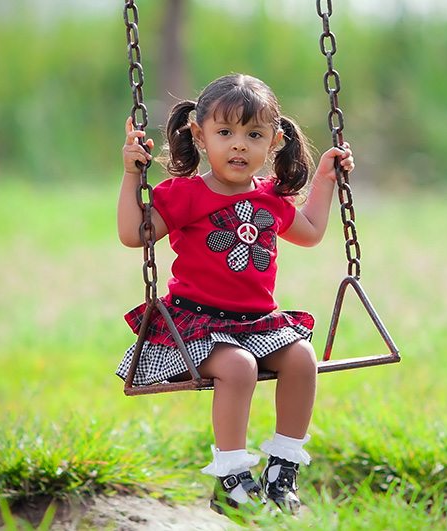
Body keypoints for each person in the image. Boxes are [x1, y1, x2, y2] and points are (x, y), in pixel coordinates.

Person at [115, 74, 353, 516]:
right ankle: (230, 478)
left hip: (256, 323)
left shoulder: (271, 199)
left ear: (274, 142)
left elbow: (313, 232)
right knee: (239, 369)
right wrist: (132, 176)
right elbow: (135, 234)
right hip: (197, 326)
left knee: (303, 357)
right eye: (225, 133)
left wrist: (325, 180)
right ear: (199, 135)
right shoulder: (183, 194)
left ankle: (282, 468)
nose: (239, 145)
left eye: (254, 135)